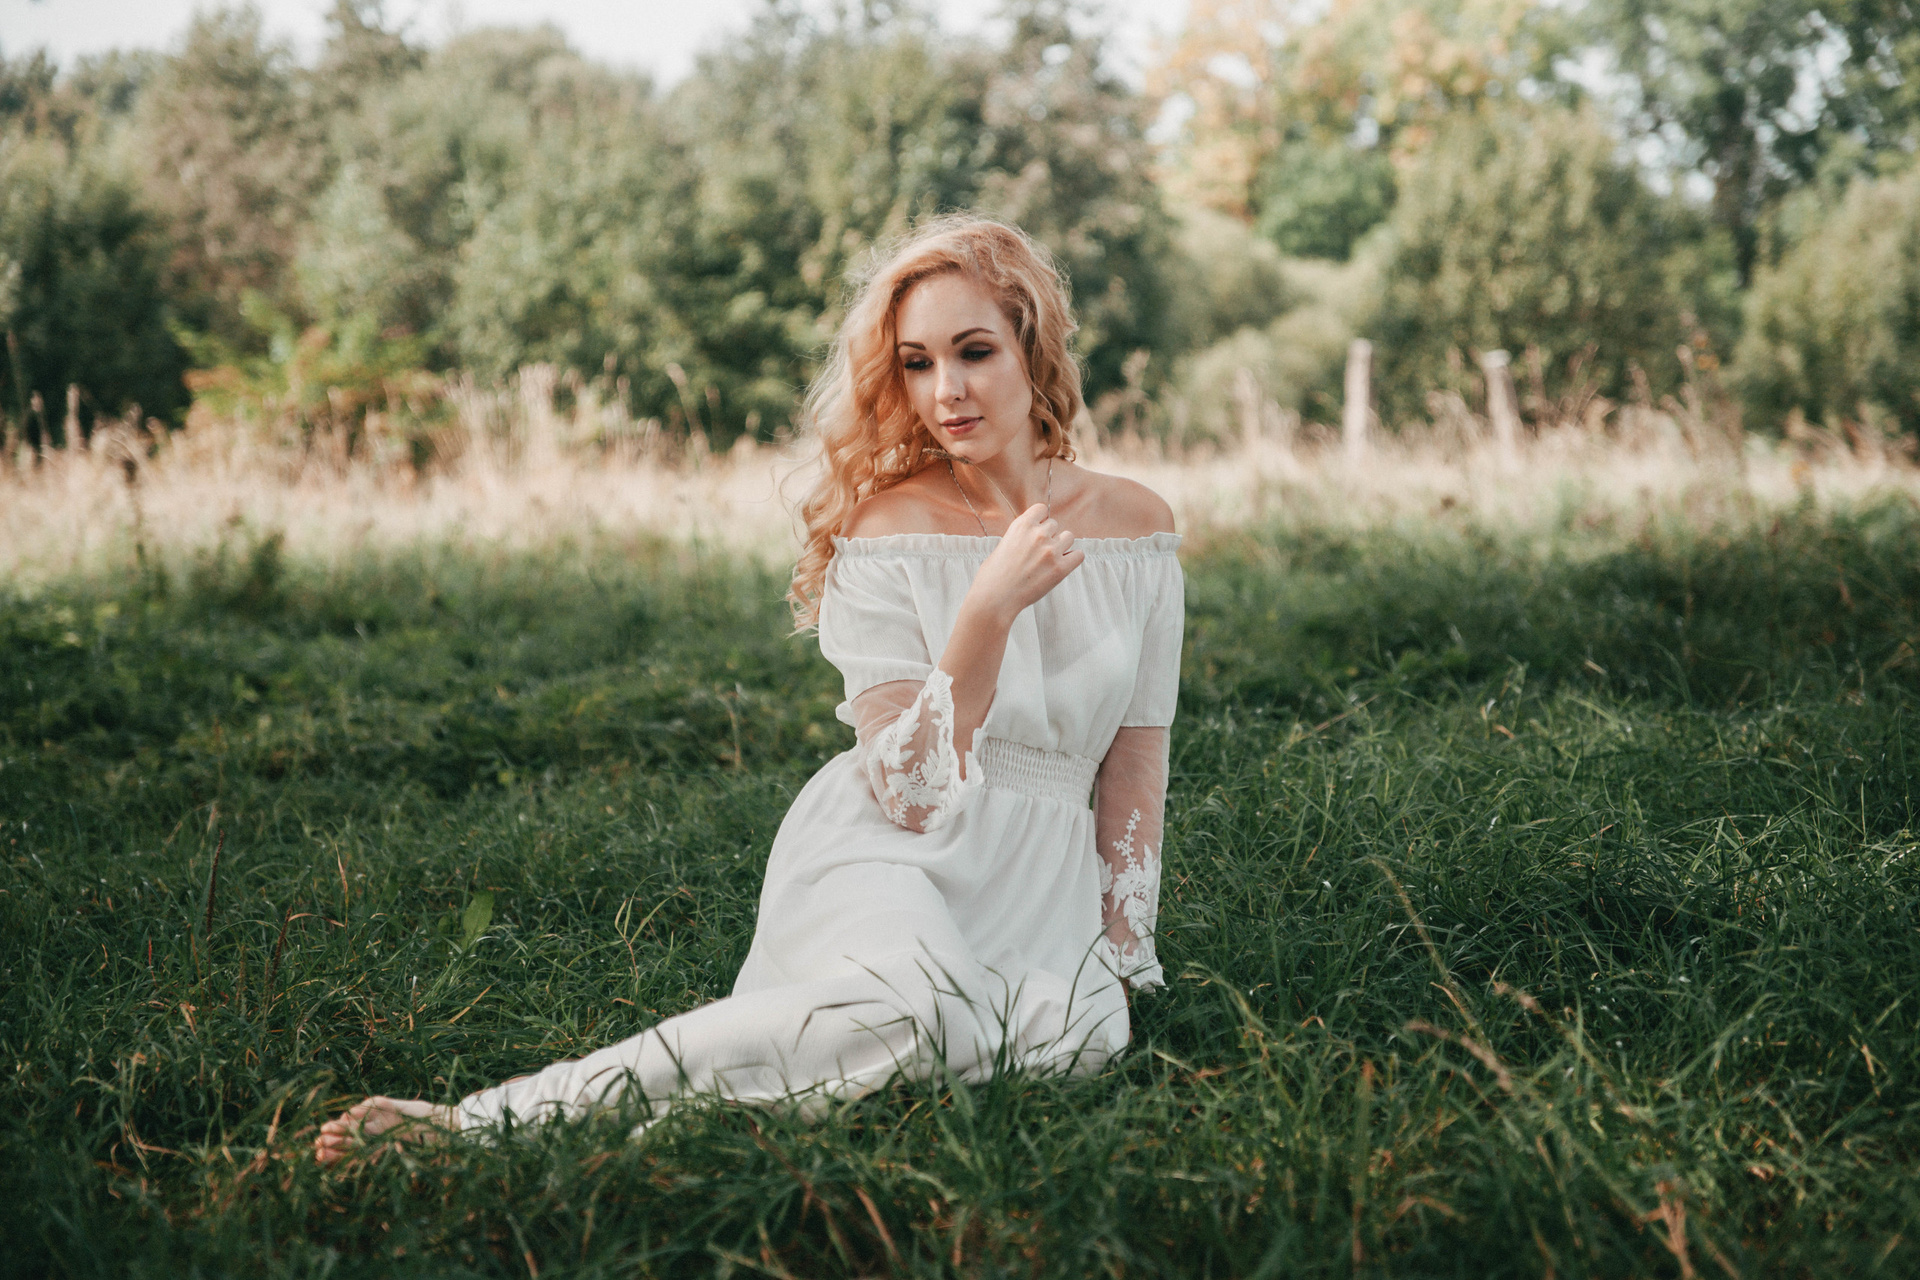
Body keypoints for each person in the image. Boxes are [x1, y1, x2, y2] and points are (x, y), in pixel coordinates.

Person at [314, 215, 1183, 1163]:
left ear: (1032, 349)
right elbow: (911, 792)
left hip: (1040, 888)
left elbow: (1134, 764)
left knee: (1074, 1043)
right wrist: (985, 613)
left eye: (975, 352)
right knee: (917, 1011)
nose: (948, 390)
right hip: (892, 859)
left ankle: (691, 1120)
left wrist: (1121, 955)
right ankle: (487, 1123)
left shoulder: (1137, 528)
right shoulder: (885, 532)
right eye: (917, 364)